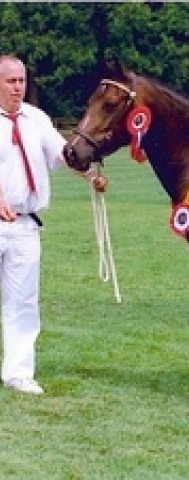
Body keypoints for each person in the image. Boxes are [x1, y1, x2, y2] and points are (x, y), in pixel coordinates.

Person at [0, 54, 105, 394]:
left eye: (22, 81)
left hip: (26, 224)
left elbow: (63, 155)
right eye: (11, 81)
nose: (18, 88)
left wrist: (89, 174)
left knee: (23, 301)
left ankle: (18, 373)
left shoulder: (36, 119)